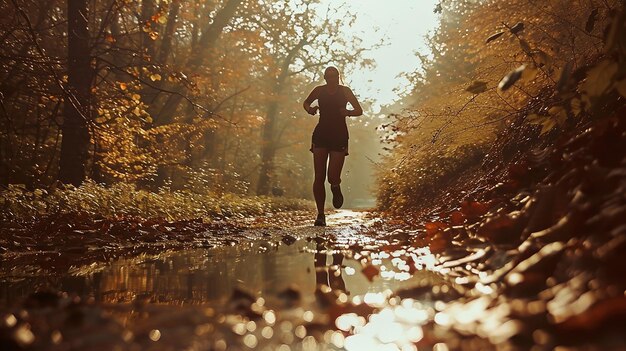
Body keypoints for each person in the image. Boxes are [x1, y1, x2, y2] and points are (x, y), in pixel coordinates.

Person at [302, 66, 363, 226]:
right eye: (328, 76)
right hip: (321, 133)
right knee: (319, 176)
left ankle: (335, 187)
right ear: (325, 77)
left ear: (338, 76)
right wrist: (310, 109)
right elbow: (306, 102)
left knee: (332, 176)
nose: (331, 79)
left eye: (334, 76)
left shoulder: (345, 91)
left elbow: (359, 110)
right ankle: (320, 215)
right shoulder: (319, 90)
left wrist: (348, 112)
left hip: (339, 135)